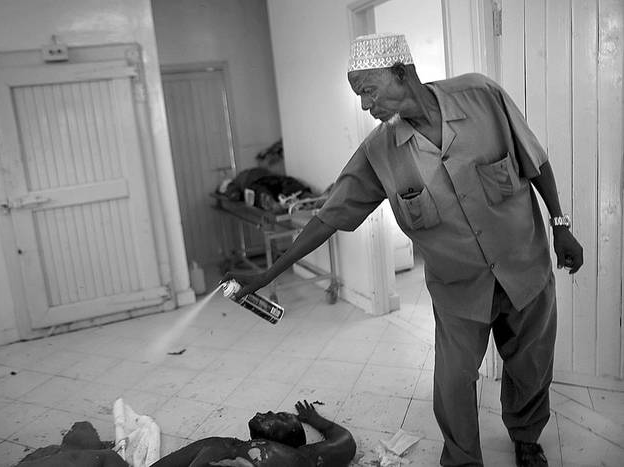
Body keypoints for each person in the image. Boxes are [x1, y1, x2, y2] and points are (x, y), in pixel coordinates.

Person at [223, 33, 583, 467]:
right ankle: (463, 459)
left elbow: (535, 159)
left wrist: (560, 224)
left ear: (402, 72)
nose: (364, 105)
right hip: (460, 289)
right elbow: (328, 217)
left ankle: (526, 439)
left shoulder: (482, 96)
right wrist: (268, 273)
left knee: (530, 365)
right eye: (359, 95)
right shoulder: (380, 152)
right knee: (452, 384)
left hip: (525, 265)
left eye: (368, 90)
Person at [149, 400, 356, 466]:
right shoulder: (221, 445)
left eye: (280, 417)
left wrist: (317, 421)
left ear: (290, 438)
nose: (264, 412)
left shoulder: (301, 457)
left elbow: (345, 443)